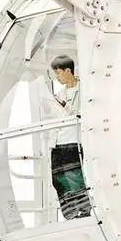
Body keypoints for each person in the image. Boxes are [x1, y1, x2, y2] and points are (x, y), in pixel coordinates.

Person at [49, 55, 91, 219]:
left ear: (68, 71)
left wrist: (66, 107)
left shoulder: (85, 89)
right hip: (58, 140)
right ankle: (70, 212)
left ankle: (84, 210)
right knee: (57, 178)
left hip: (74, 139)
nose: (57, 77)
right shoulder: (60, 94)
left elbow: (85, 112)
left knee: (74, 176)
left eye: (58, 73)